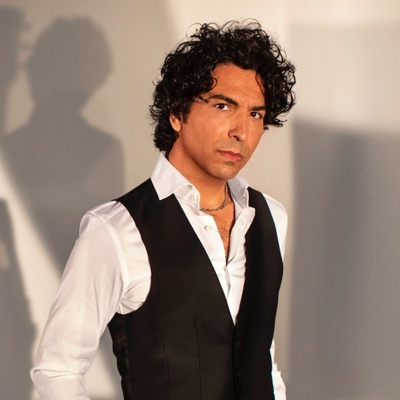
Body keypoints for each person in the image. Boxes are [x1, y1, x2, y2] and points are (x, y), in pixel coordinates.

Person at [31, 20, 296, 400]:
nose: (242, 131)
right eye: (223, 106)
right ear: (177, 113)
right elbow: (58, 369)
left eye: (256, 114)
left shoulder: (271, 218)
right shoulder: (115, 229)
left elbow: (262, 360)